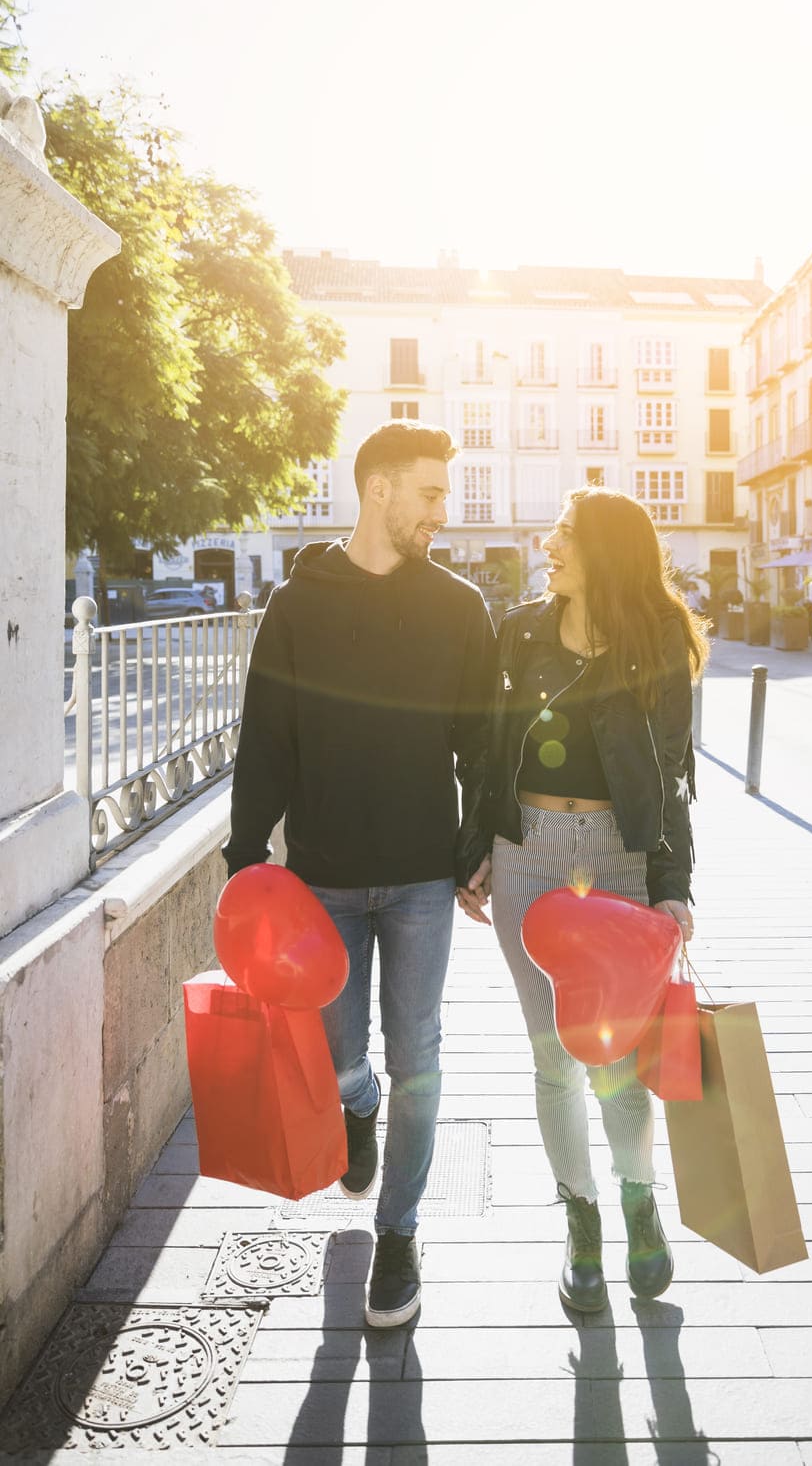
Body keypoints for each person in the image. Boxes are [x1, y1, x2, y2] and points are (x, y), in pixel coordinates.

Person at [223, 421, 494, 1328]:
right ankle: (357, 1105)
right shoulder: (298, 606)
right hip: (322, 884)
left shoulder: (460, 607)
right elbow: (266, 740)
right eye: (430, 493)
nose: (443, 511)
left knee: (420, 1057)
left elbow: (482, 742)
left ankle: (400, 1235)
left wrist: (480, 842)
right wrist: (245, 860)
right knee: (340, 1060)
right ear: (379, 489)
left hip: (422, 880)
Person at [459, 487, 708, 1314]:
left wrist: (671, 887)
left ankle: (639, 1203)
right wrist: (476, 848)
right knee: (553, 1056)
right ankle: (581, 1224)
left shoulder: (659, 637)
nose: (549, 545)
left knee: (616, 1055)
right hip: (527, 857)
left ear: (605, 550)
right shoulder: (521, 629)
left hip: (620, 861)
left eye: (565, 534)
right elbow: (489, 750)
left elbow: (671, 774)